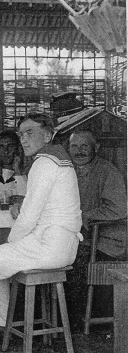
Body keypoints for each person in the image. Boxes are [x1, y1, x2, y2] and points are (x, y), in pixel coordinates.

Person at [0, 112, 82, 332]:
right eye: (21, 134)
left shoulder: (44, 163)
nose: (23, 139)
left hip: (49, 247)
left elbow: (29, 216)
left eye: (30, 133)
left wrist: (11, 241)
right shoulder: (61, 160)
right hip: (63, 246)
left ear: (48, 135)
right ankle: (1, 325)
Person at [66, 129, 127, 332]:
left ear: (96, 148)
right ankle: (61, 320)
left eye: (85, 146)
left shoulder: (107, 171)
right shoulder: (69, 172)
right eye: (74, 146)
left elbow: (119, 208)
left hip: (107, 240)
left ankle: (76, 323)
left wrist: (88, 215)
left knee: (73, 259)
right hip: (84, 237)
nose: (79, 151)